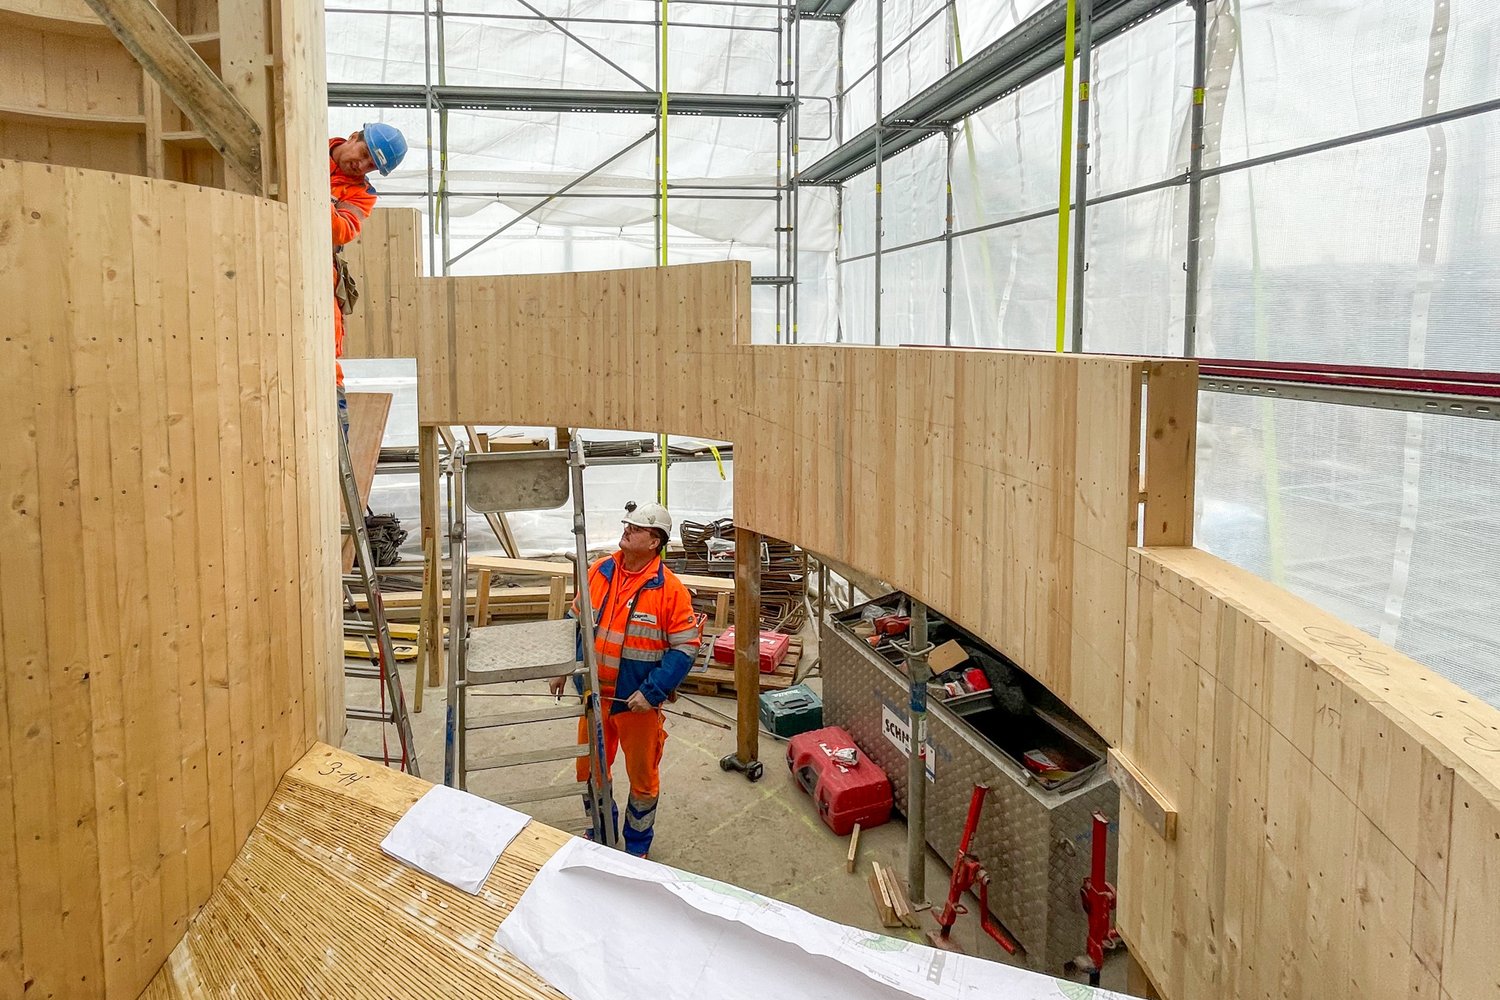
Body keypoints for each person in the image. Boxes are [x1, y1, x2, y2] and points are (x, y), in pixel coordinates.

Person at [550, 502, 701, 858]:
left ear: (654, 542)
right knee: (590, 772)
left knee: (643, 781)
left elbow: (685, 650)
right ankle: (600, 833)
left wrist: (652, 692)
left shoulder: (671, 592)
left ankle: (636, 849)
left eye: (636, 528)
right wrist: (561, 666)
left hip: (636, 705)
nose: (627, 530)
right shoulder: (600, 571)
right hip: (594, 697)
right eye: (627, 525)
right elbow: (573, 621)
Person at [330, 122, 407, 436]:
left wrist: (309, 195)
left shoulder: (362, 194)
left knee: (327, 348)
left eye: (371, 165)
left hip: (319, 271)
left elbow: (342, 229)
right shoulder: (305, 149)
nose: (360, 165)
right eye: (363, 154)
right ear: (353, 137)